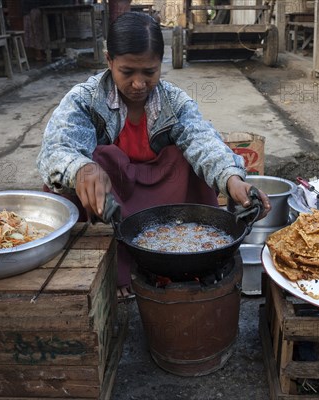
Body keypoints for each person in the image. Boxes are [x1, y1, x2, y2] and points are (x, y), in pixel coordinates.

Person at [37, 12, 271, 299]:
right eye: (127, 72)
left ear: (162, 64)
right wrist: (80, 168)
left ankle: (183, 259)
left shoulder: (174, 102)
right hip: (110, 199)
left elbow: (203, 140)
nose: (139, 84)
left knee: (188, 156)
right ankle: (117, 270)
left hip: (162, 196)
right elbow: (56, 149)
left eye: (149, 72)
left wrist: (233, 180)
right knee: (96, 161)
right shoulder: (84, 100)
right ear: (109, 61)